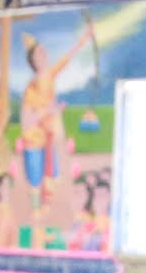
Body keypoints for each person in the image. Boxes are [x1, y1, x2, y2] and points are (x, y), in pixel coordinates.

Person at [18, 21, 99, 210]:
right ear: (33, 61)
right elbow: (28, 119)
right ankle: (37, 211)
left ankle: (46, 207)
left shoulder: (49, 75)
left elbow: (66, 59)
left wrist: (85, 38)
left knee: (51, 173)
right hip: (35, 137)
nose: (44, 56)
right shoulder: (31, 88)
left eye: (44, 52)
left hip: (49, 135)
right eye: (39, 54)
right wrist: (50, 110)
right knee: (36, 176)